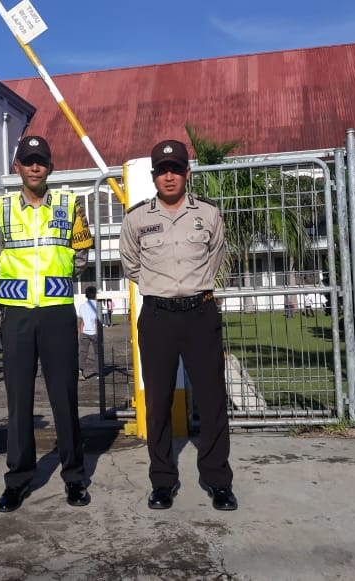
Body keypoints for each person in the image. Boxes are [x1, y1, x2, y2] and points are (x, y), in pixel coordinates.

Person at [119, 139, 238, 512]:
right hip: (157, 317)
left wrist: (189, 288)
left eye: (175, 169)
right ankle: (162, 481)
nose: (168, 176)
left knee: (212, 399)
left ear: (187, 173)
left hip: (200, 314)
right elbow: (131, 265)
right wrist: (164, 290)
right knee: (157, 402)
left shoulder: (209, 214)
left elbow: (214, 257)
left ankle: (218, 481)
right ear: (153, 176)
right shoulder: (137, 219)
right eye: (161, 170)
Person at [0, 135, 93, 512]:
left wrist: (55, 281)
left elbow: (81, 255)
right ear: (17, 167)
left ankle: (75, 478)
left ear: (50, 167)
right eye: (28, 161)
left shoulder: (69, 204)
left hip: (57, 313)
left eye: (41, 161)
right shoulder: (0, 209)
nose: (34, 167)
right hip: (16, 314)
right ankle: (17, 480)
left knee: (64, 399)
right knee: (18, 400)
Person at [77, 286, 100, 382]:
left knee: (82, 353)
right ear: (95, 294)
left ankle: (80, 372)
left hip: (84, 332)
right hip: (95, 332)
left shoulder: (82, 306)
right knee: (98, 353)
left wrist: (81, 333)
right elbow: (96, 321)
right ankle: (99, 373)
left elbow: (81, 321)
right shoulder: (98, 305)